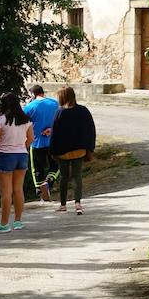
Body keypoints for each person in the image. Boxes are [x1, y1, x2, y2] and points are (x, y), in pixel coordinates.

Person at [49, 86, 97, 215]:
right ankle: (78, 204)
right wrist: (90, 147)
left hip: (63, 151)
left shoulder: (60, 112)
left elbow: (55, 133)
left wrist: (52, 150)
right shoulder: (83, 110)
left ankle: (63, 205)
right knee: (77, 176)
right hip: (79, 149)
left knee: (64, 177)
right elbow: (91, 129)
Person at [0, 92, 33, 234]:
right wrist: (21, 147)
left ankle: (4, 224)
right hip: (21, 154)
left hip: (5, 155)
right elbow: (31, 138)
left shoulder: (0, 119)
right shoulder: (26, 119)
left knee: (6, 192)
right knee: (18, 190)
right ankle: (18, 221)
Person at [23, 84, 61, 201]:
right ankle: (49, 182)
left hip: (36, 143)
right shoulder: (55, 104)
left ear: (33, 95)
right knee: (56, 165)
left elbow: (22, 123)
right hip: (53, 141)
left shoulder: (29, 107)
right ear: (42, 92)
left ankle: (39, 191)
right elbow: (61, 119)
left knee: (37, 168)